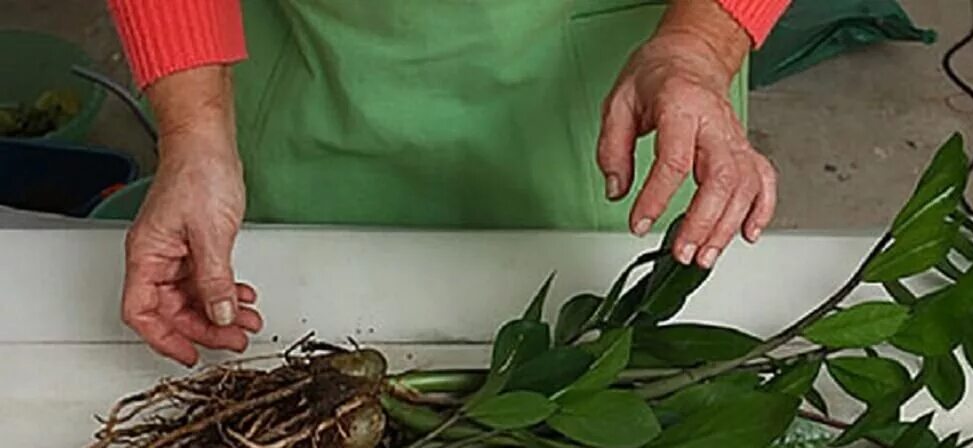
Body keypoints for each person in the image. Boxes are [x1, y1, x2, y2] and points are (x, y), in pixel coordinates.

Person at [107, 0, 788, 365]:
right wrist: (194, 132)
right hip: (314, 86)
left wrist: (700, 46)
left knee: (598, 362)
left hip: (611, 103)